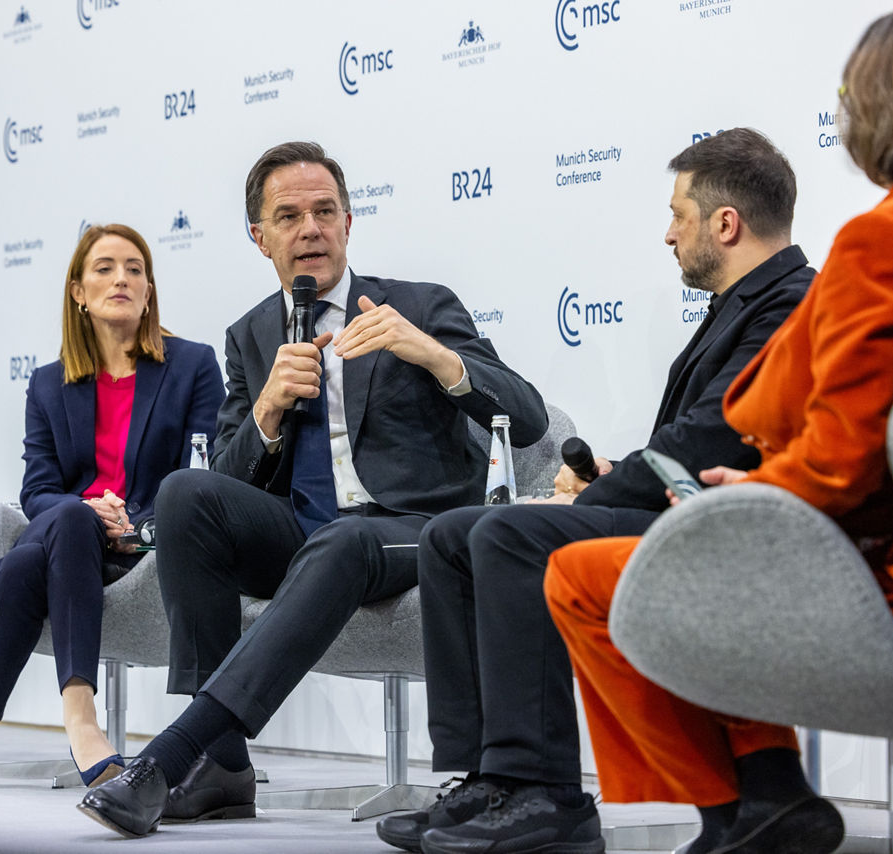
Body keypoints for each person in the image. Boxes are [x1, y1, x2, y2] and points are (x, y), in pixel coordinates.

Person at [544, 4, 893, 852]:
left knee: (583, 574)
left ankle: (735, 811)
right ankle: (768, 794)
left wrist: (750, 492)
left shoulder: (892, 239)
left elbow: (843, 462)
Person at [78, 140, 547, 838]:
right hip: (306, 532)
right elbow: (227, 481)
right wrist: (266, 410)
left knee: (346, 538)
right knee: (183, 494)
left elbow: (528, 417)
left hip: (415, 528)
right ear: (259, 236)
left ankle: (179, 752)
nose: (311, 229)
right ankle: (226, 769)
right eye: (290, 216)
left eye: (326, 212)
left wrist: (433, 354)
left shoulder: (418, 304)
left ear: (350, 223)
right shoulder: (252, 334)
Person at [379, 129, 815, 854]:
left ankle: (546, 791)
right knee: (452, 535)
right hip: (687, 505)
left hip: (734, 527)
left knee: (508, 533)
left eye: (679, 215)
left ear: (725, 224)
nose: (667, 234)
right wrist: (614, 483)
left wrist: (588, 504)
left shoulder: (789, 303)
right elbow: (696, 441)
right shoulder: (744, 304)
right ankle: (489, 774)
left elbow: (709, 441)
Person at [0, 224, 224, 788]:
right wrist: (89, 508)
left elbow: (202, 475)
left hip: (145, 549)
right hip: (71, 536)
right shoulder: (50, 383)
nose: (121, 278)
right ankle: (81, 714)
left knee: (26, 563)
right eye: (104, 268)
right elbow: (38, 491)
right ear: (78, 291)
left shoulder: (193, 366)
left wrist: (134, 525)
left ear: (149, 290)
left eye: (134, 268)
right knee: (72, 514)